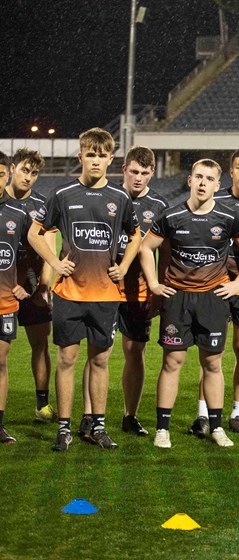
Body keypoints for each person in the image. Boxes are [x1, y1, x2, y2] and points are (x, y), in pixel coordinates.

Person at [28, 127, 142, 452]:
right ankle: (63, 429)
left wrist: (124, 266)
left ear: (110, 158)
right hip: (70, 294)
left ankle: (98, 427)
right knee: (66, 358)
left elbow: (136, 235)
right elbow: (36, 234)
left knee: (101, 361)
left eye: (101, 155)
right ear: (81, 156)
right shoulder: (62, 195)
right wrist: (54, 261)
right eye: (89, 154)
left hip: (105, 295)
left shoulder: (120, 198)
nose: (95, 160)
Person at [141, 158, 239, 449]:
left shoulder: (228, 217)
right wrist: (154, 285)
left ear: (218, 185)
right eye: (199, 177)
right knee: (173, 361)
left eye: (210, 178)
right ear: (190, 181)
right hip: (178, 298)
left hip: (212, 299)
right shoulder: (171, 216)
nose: (204, 182)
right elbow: (146, 247)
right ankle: (163, 429)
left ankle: (217, 427)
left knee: (212, 363)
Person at [188, 147, 239, 438]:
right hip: (216, 287)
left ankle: (238, 414)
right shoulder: (213, 198)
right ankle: (203, 416)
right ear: (230, 172)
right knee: (211, 354)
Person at [116, 147, 168, 436]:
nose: (138, 178)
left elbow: (166, 253)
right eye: (134, 171)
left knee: (134, 352)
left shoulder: (159, 206)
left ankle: (129, 415)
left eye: (144, 173)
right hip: (105, 289)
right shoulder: (109, 196)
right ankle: (91, 416)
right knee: (98, 353)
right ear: (124, 169)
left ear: (152, 173)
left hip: (138, 291)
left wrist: (157, 290)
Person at [4, 149, 56, 424]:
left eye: (34, 173)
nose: (28, 177)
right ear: (13, 168)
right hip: (4, 288)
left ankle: (42, 406)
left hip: (33, 288)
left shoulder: (41, 206)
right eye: (24, 170)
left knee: (40, 344)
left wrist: (43, 289)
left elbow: (49, 251)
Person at [0, 155, 36, 443]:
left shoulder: (18, 214)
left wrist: (26, 284)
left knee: (0, 361)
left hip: (5, 302)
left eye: (0, 174)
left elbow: (32, 254)